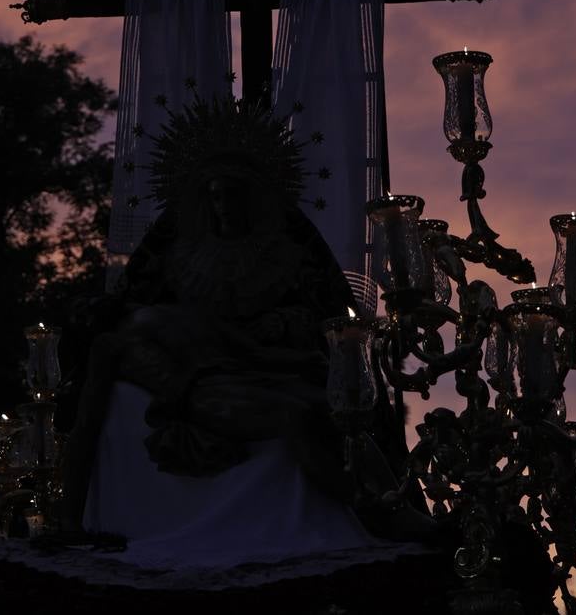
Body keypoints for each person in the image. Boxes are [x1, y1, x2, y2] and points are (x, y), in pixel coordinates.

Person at [58, 96, 382, 569]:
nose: (223, 204)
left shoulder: (286, 248)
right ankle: (372, 507)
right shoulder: (160, 284)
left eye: (233, 193)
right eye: (213, 194)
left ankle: (381, 506)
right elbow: (129, 321)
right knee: (302, 415)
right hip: (215, 383)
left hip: (255, 368)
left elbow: (324, 315)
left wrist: (283, 333)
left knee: (327, 411)